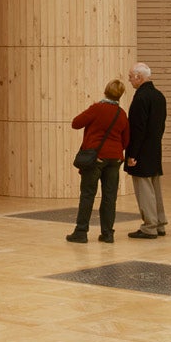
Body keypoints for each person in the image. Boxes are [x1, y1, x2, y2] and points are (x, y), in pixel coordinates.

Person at [66, 78, 131, 244]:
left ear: (106, 91)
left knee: (88, 194)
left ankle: (81, 232)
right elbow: (126, 139)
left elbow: (76, 123)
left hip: (96, 158)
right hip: (115, 159)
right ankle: (108, 233)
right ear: (120, 95)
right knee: (110, 197)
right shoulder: (121, 113)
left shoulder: (97, 108)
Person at [124, 63, 168, 239]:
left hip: (141, 150)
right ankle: (160, 223)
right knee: (155, 187)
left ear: (139, 77)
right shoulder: (159, 96)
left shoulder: (141, 97)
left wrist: (132, 154)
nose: (129, 80)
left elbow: (137, 128)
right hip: (154, 148)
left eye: (130, 77)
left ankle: (149, 226)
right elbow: (160, 125)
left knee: (144, 190)